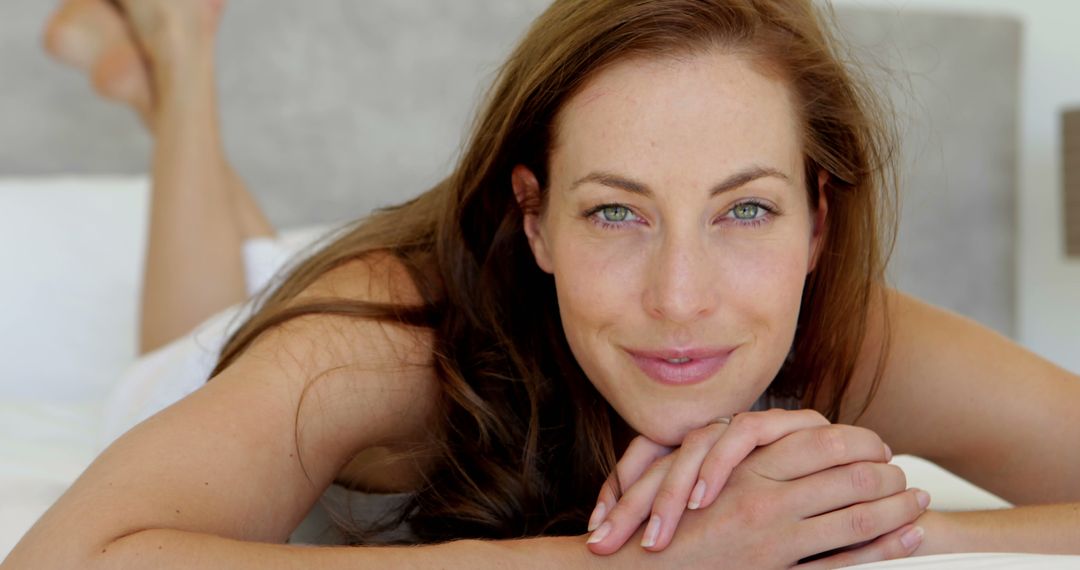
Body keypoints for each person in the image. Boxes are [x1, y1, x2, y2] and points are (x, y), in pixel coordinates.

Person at [5, 0, 1079, 568]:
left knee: (258, 267)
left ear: (815, 222)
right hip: (240, 357)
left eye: (745, 209)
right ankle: (179, 59)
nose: (682, 297)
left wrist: (879, 526)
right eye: (616, 210)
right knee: (208, 322)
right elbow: (71, 561)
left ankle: (156, 76)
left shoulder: (846, 325)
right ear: (535, 217)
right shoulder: (383, 340)